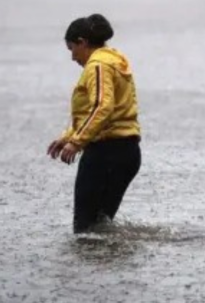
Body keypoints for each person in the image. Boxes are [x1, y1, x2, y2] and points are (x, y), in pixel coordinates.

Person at [47, 14, 142, 233]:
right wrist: (67, 137)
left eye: (72, 49)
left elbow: (102, 107)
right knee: (100, 227)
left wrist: (76, 142)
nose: (72, 57)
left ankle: (91, 267)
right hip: (127, 152)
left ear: (83, 42)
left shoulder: (97, 66)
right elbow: (97, 111)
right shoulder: (115, 61)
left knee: (84, 231)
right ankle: (109, 265)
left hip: (105, 153)